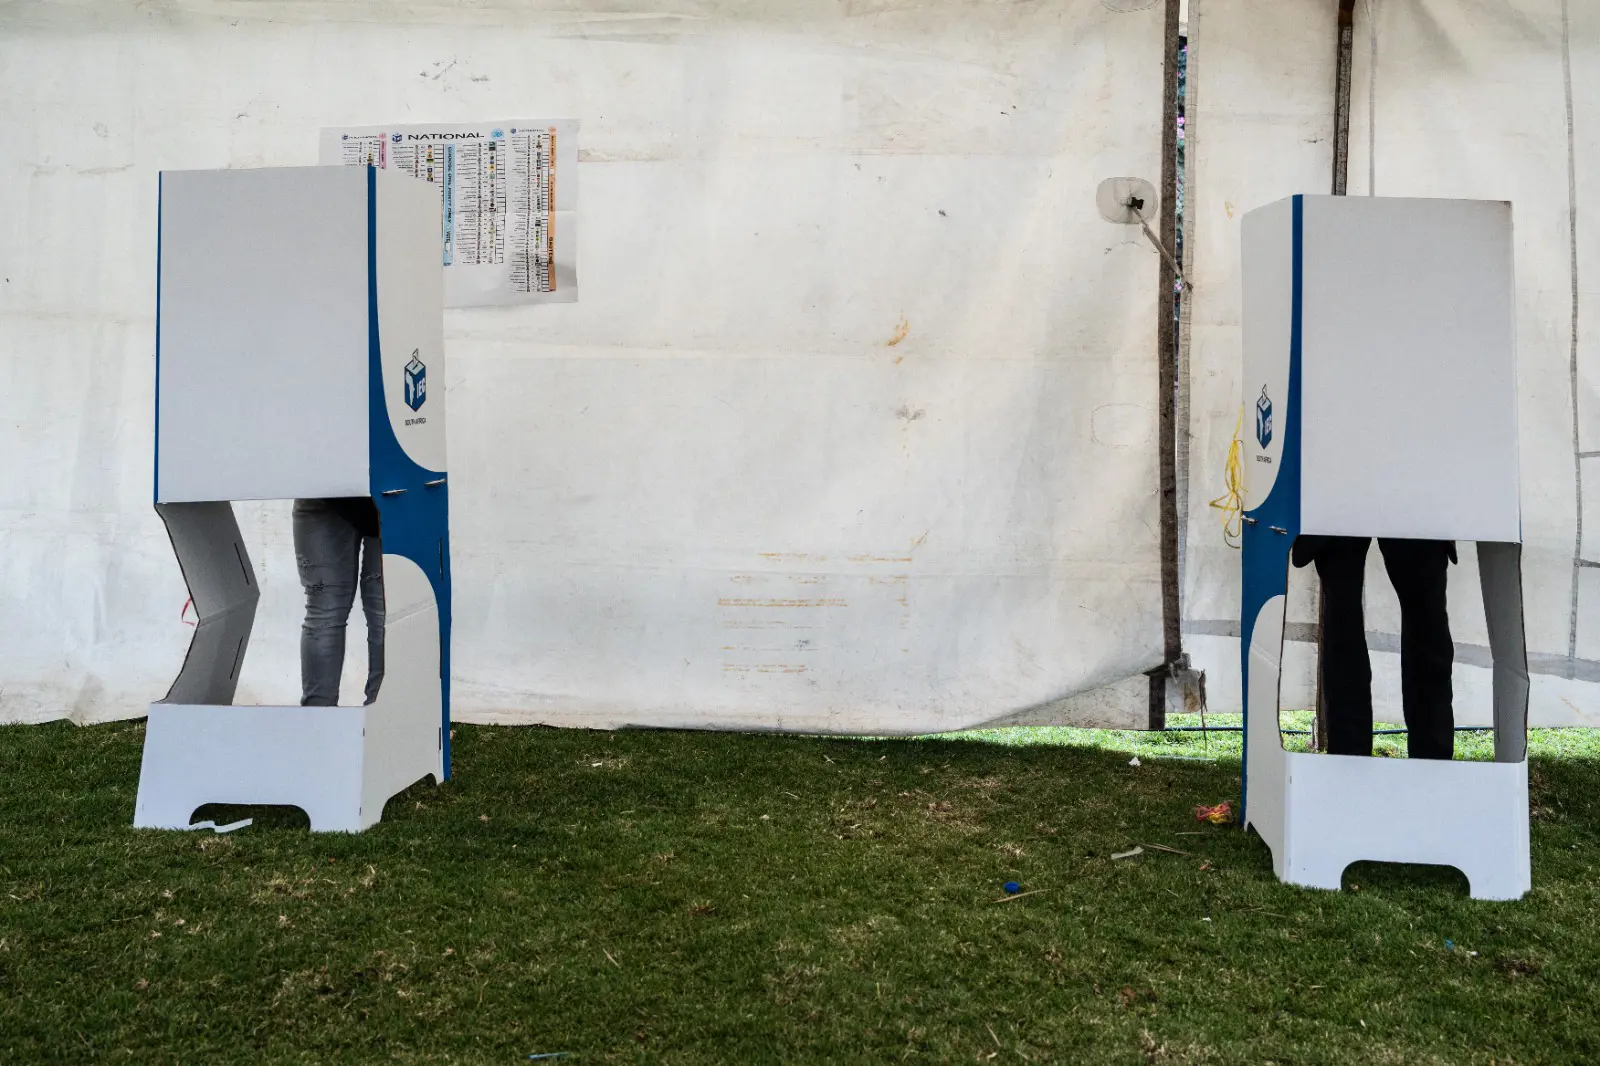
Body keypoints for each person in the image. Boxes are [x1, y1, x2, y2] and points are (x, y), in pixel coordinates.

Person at [1293, 535, 1456, 759]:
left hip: (1414, 508)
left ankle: (1432, 759)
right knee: (1343, 623)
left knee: (1426, 622)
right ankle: (1348, 758)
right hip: (1338, 509)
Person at [292, 497, 383, 706]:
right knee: (384, 615)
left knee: (323, 612)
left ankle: (318, 724)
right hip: (391, 488)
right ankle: (382, 725)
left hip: (324, 483)